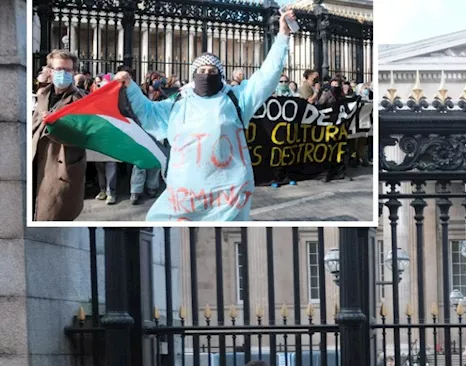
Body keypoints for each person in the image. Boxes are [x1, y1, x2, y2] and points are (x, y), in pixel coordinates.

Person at [115, 11, 296, 221]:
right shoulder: (176, 102)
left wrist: (283, 35)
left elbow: (266, 76)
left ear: (221, 75)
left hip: (228, 196)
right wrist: (130, 87)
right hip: (184, 196)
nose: (207, 74)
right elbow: (147, 113)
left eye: (212, 70)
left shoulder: (238, 99)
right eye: (201, 70)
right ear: (194, 75)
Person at [32, 49, 89, 221]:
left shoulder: (80, 99)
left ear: (73, 72)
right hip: (36, 158)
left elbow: (83, 133)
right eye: (59, 69)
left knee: (52, 211)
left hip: (61, 163)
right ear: (50, 70)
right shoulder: (42, 94)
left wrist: (56, 126)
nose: (63, 73)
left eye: (68, 70)